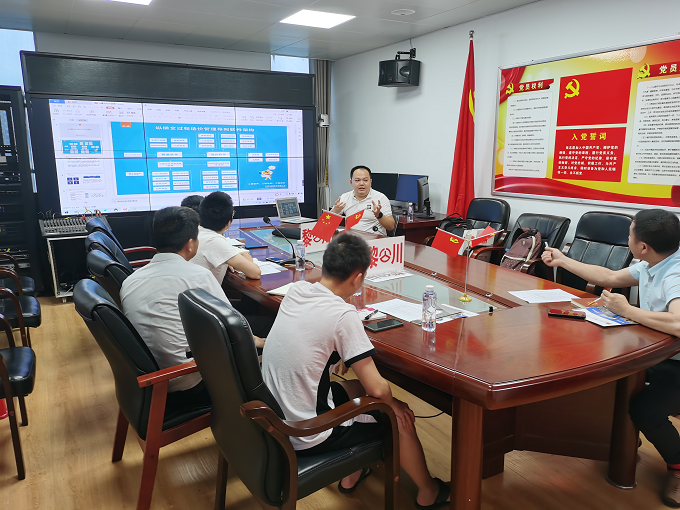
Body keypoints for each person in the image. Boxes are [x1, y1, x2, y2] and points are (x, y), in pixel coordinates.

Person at [262, 233, 450, 509]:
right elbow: (378, 389)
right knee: (398, 417)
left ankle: (352, 474)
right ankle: (428, 492)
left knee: (356, 388)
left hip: (276, 414)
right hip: (307, 431)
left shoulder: (298, 290)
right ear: (358, 278)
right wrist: (394, 405)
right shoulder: (343, 314)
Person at [541, 208, 680, 508]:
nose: (627, 239)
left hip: (675, 361)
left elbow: (679, 323)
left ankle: (678, 466)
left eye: (630, 235)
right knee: (606, 376)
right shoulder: (653, 262)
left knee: (646, 411)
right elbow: (610, 276)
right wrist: (563, 259)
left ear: (643, 246)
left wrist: (627, 310)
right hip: (657, 349)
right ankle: (622, 437)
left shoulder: (675, 274)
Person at [120, 206, 264, 404]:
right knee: (268, 332)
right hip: (188, 378)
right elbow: (233, 326)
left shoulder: (130, 280)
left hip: (149, 379)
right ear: (190, 244)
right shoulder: (197, 276)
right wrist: (261, 342)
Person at [191, 191, 261, 281]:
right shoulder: (214, 240)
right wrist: (249, 261)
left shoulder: (194, 231)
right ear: (229, 223)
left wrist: (227, 259)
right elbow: (255, 273)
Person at [331, 165, 396, 236]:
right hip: (351, 240)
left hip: (375, 240)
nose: (361, 183)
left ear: (370, 182)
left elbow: (391, 227)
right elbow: (326, 224)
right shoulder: (345, 197)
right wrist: (335, 211)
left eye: (365, 180)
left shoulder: (380, 198)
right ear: (351, 182)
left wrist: (379, 215)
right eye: (357, 180)